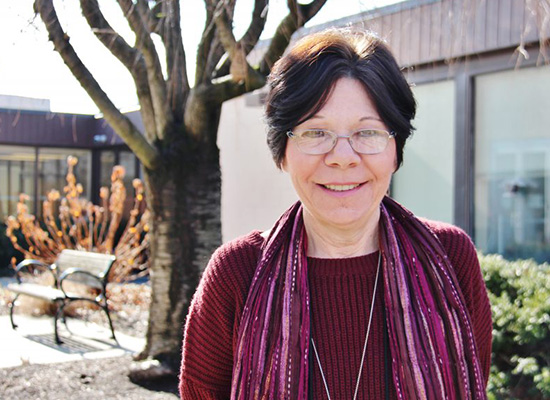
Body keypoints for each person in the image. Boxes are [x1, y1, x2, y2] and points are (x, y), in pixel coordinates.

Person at [179, 28, 492, 400]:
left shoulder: (450, 259)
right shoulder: (236, 274)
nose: (342, 157)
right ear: (283, 152)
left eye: (368, 132)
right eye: (315, 133)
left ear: (396, 149)